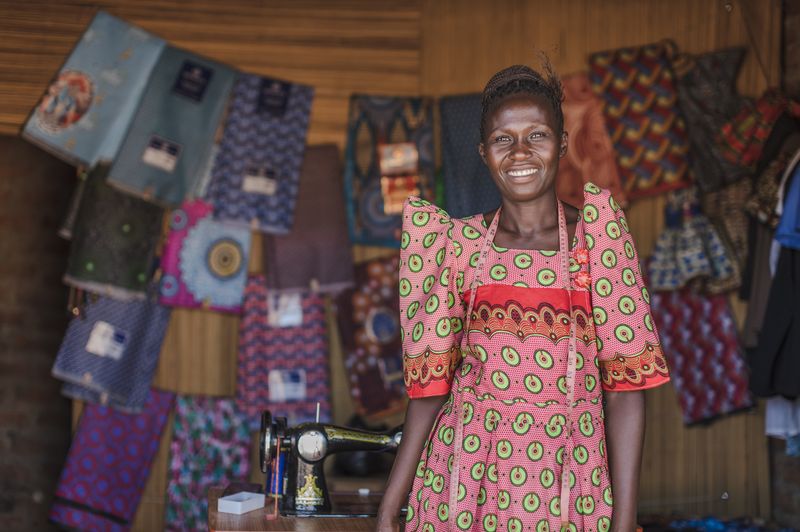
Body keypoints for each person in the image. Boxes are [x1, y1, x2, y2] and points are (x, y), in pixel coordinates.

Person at [376, 62, 670, 531]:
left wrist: (625, 519)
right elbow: (432, 389)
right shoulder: (459, 246)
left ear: (563, 143)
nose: (520, 152)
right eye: (502, 139)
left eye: (537, 135)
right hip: (462, 481)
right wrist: (391, 505)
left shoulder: (597, 239)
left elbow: (627, 391)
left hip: (569, 486)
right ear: (483, 151)